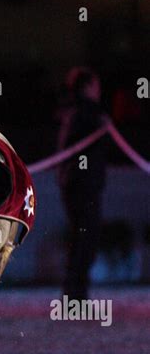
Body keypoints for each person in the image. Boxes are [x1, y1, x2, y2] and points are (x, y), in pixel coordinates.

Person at [56, 67, 109, 300]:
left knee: (81, 237)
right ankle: (75, 295)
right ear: (87, 87)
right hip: (82, 186)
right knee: (84, 238)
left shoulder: (75, 111)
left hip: (77, 185)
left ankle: (75, 293)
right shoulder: (86, 113)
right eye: (96, 86)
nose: (99, 91)